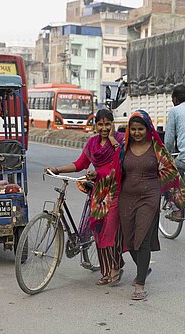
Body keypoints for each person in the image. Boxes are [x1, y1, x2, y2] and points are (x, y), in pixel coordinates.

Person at [94, 110, 185, 300]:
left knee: (142, 239)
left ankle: (140, 284)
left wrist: (175, 199)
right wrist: (99, 183)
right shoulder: (124, 147)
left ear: (148, 129)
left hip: (149, 196)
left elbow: (170, 171)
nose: (137, 132)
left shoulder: (157, 148)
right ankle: (143, 268)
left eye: (141, 129)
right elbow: (115, 173)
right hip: (126, 198)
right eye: (134, 129)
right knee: (130, 242)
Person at [45, 109, 125, 286]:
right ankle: (105, 272)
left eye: (107, 124)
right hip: (98, 192)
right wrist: (57, 169)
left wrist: (112, 142)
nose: (104, 128)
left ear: (113, 124)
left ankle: (116, 267)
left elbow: (122, 162)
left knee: (110, 230)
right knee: (97, 231)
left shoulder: (121, 139)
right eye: (100, 124)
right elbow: (80, 164)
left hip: (116, 191)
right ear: (95, 125)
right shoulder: (92, 143)